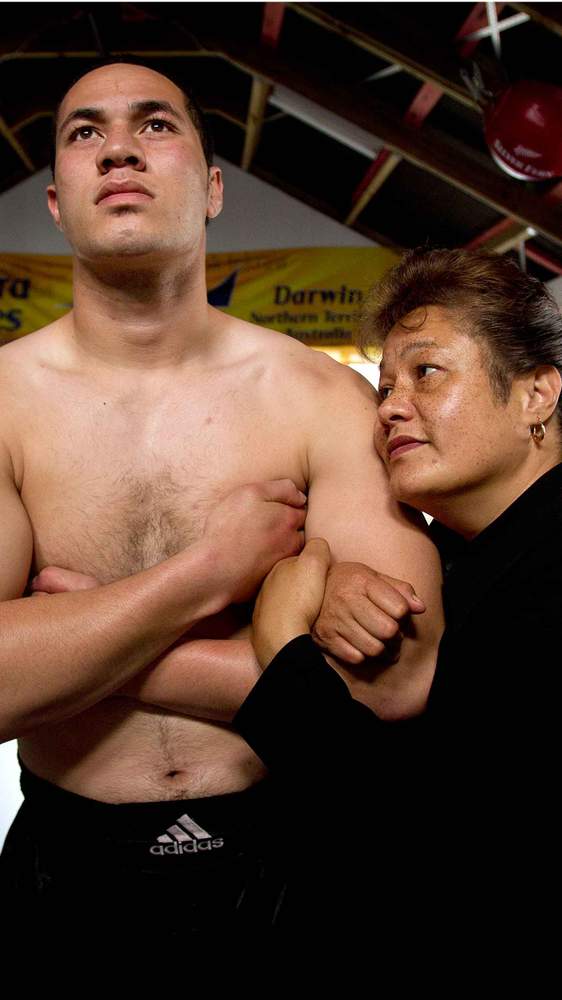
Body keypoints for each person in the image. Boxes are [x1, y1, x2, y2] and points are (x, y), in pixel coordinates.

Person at [0, 63, 443, 936]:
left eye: (154, 125)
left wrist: (77, 650)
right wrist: (212, 577)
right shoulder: (3, 402)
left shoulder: (319, 396)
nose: (119, 148)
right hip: (66, 868)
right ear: (56, 200)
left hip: (291, 860)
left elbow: (396, 680)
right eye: (84, 132)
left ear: (211, 189)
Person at [235, 248, 562, 941]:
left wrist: (284, 649)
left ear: (537, 393)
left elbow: (422, 847)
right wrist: (329, 579)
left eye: (426, 373)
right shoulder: (479, 556)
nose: (391, 410)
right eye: (384, 389)